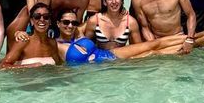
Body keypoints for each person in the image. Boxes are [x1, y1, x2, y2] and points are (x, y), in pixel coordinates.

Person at [0, 3, 63, 68]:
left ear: (50, 21)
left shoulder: (52, 43)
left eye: (46, 17)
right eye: (37, 17)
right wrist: (30, 66)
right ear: (32, 21)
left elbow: (59, 65)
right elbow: (3, 65)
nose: (42, 20)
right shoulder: (23, 41)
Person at [63, 34, 191, 65]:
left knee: (154, 44)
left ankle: (193, 38)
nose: (69, 25)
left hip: (109, 53)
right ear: (58, 23)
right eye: (66, 22)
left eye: (72, 22)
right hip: (112, 65)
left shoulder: (79, 32)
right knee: (153, 52)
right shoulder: (56, 45)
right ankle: (197, 42)